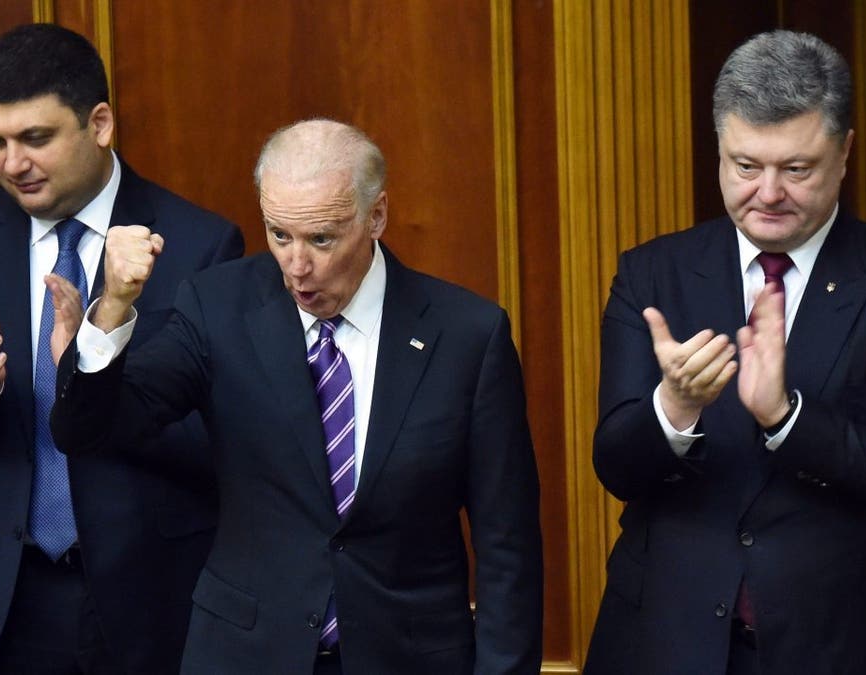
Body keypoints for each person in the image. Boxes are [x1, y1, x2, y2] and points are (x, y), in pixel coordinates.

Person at [48, 118, 543, 674]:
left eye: (321, 239)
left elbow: (508, 545)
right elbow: (90, 429)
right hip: (248, 653)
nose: (297, 267)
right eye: (279, 235)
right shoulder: (218, 307)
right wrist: (111, 309)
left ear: (376, 215)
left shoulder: (469, 336)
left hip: (407, 657)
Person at [583, 30, 866, 675]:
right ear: (720, 151)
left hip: (850, 640)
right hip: (670, 635)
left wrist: (787, 418)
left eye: (796, 169)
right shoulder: (653, 274)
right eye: (745, 166)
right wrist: (673, 408)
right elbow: (616, 467)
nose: (767, 193)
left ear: (844, 153)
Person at [0, 23, 243, 675]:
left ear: (98, 124)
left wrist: (100, 359)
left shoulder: (199, 244)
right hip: (1, 601)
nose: (12, 162)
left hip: (150, 601)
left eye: (35, 138)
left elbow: (222, 446)